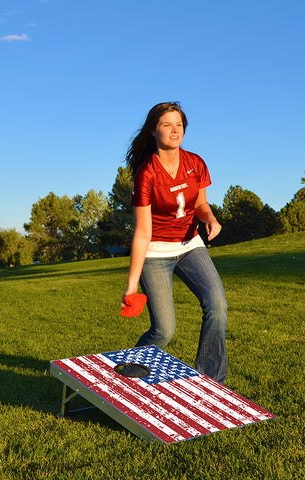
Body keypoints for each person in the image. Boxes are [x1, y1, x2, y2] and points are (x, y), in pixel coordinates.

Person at [122, 101, 228, 384]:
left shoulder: (196, 163)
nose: (174, 130)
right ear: (153, 131)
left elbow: (200, 204)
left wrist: (210, 219)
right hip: (155, 252)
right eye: (167, 125)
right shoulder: (146, 174)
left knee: (216, 304)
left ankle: (211, 381)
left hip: (190, 245)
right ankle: (125, 378)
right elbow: (142, 233)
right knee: (164, 330)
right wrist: (132, 286)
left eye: (178, 124)